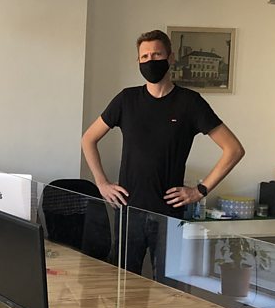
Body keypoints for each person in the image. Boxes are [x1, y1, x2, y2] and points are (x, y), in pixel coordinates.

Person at [81, 29, 245, 275]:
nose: (150, 61)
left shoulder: (190, 103)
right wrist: (102, 183)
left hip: (169, 214)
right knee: (123, 284)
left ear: (171, 57)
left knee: (168, 287)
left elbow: (234, 149)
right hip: (129, 209)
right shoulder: (126, 100)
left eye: (156, 54)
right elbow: (88, 139)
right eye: (144, 57)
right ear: (138, 61)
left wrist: (200, 190)